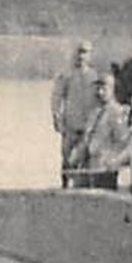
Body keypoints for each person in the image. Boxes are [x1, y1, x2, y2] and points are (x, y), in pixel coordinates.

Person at [51, 40, 102, 184]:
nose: (81, 56)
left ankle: (83, 188)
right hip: (71, 126)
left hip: (88, 128)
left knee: (86, 159)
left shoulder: (95, 76)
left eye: (85, 52)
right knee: (67, 159)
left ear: (90, 55)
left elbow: (101, 100)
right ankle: (65, 187)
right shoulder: (67, 75)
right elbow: (57, 97)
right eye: (79, 52)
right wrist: (56, 118)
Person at [70, 73, 131, 190]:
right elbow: (87, 138)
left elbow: (123, 142)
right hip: (90, 166)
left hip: (105, 169)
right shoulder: (94, 112)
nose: (100, 92)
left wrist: (114, 162)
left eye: (104, 88)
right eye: (98, 88)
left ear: (112, 90)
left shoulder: (117, 113)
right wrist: (76, 154)